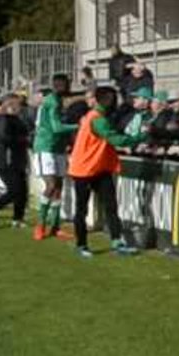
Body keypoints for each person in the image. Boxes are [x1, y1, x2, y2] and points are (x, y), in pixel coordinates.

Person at [68, 86, 149, 258]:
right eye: (112, 99)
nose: (114, 102)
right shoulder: (97, 118)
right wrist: (140, 137)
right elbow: (115, 139)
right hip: (84, 168)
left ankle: (116, 241)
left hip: (98, 167)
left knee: (110, 206)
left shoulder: (97, 117)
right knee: (83, 209)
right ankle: (81, 245)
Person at [31, 74, 79, 240]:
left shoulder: (56, 100)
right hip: (46, 147)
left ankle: (55, 227)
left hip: (58, 148)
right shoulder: (52, 101)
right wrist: (78, 125)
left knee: (58, 186)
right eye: (67, 84)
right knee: (51, 185)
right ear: (60, 85)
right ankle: (41, 225)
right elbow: (57, 127)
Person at [0, 94, 29, 229]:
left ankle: (17, 219)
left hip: (17, 159)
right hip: (6, 160)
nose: (19, 107)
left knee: (22, 191)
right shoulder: (1, 119)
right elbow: (4, 138)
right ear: (8, 105)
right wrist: (25, 140)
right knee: (15, 190)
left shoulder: (15, 119)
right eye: (16, 104)